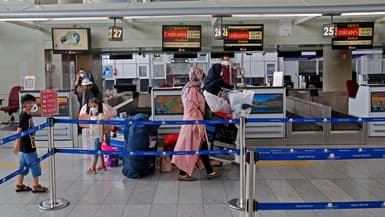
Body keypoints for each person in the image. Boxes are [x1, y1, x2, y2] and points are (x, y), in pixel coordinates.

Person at [172, 66, 221, 181]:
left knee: (199, 145)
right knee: (189, 146)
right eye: (202, 76)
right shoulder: (192, 90)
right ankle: (183, 173)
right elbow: (191, 108)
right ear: (197, 76)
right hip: (193, 122)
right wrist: (197, 123)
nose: (203, 79)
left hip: (195, 121)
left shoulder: (192, 88)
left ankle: (209, 171)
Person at [13, 94, 48, 193]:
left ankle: (20, 185)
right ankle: (36, 186)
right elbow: (19, 131)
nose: (34, 104)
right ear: (27, 104)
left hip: (28, 143)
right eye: (33, 103)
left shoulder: (27, 114)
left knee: (23, 165)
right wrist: (17, 145)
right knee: (35, 163)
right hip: (27, 145)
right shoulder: (24, 115)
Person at [86, 97, 107, 174]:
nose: (93, 108)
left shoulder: (100, 115)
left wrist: (101, 136)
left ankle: (93, 168)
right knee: (99, 150)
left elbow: (102, 126)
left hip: (98, 136)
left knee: (96, 151)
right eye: (91, 106)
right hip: (94, 135)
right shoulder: (92, 116)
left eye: (95, 106)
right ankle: (103, 165)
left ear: (99, 106)